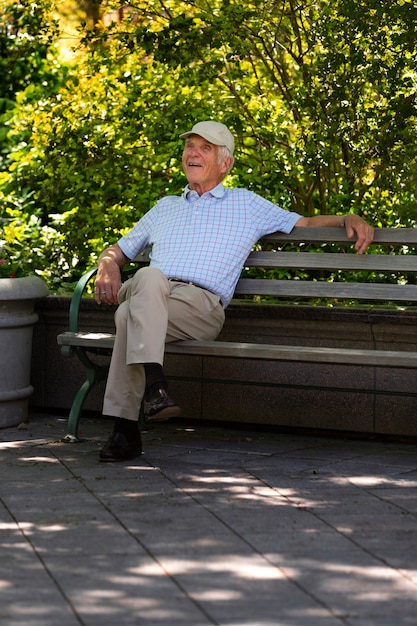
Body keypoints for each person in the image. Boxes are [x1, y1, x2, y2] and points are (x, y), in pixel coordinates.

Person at [95, 120, 374, 462]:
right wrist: (108, 265)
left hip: (199, 308)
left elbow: (305, 223)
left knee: (127, 314)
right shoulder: (165, 206)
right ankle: (153, 392)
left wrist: (348, 217)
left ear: (225, 164)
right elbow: (119, 249)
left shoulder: (246, 204)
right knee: (151, 280)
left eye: (204, 148)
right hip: (152, 292)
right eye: (189, 147)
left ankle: (127, 426)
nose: (192, 153)